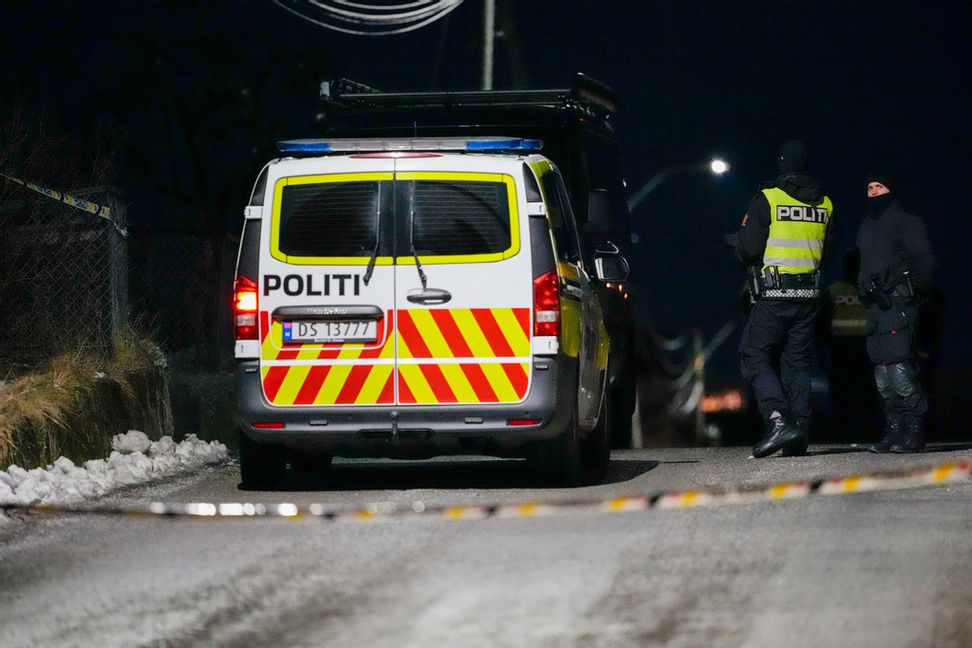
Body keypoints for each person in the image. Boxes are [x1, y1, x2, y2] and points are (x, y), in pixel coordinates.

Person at [725, 140, 834, 458]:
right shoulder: (825, 204)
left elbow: (749, 249)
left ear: (783, 163)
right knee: (797, 362)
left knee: (753, 354)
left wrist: (735, 241)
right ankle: (798, 431)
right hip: (808, 295)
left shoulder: (768, 199)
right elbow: (827, 251)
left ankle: (777, 420)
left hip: (774, 295)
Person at [856, 172, 935, 453]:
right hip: (875, 306)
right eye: (870, 186)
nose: (874, 191)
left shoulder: (906, 221)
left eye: (879, 185)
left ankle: (915, 431)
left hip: (898, 303)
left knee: (900, 368)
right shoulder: (866, 226)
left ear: (891, 188)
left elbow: (925, 263)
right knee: (882, 372)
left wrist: (912, 294)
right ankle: (894, 431)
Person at [820, 249, 880, 439]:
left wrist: (821, 348)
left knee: (842, 394)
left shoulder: (834, 290)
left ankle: (842, 432)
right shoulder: (869, 292)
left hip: (841, 348)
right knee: (866, 393)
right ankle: (870, 433)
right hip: (863, 348)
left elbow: (822, 322)